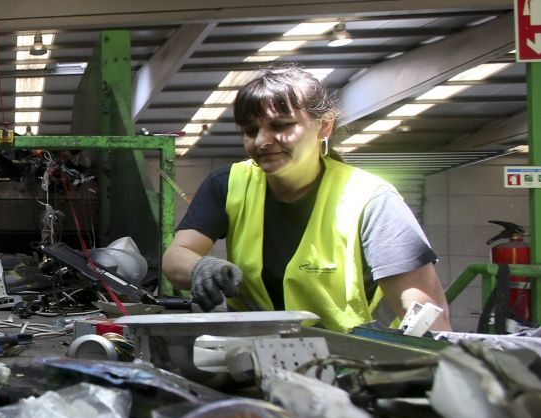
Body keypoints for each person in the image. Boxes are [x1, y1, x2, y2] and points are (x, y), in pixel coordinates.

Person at [162, 65, 452, 332]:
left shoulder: (371, 199)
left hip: (353, 362)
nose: (262, 141)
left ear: (324, 126)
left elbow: (427, 314)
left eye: (281, 126)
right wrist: (201, 267)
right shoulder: (228, 184)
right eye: (251, 131)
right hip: (255, 352)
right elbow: (176, 258)